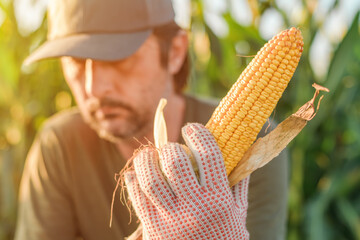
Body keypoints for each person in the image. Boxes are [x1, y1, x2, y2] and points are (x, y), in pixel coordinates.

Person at [15, 0, 289, 239]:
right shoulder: (60, 146)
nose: (94, 88)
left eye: (116, 56)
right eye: (75, 61)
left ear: (175, 52)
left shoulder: (255, 143)